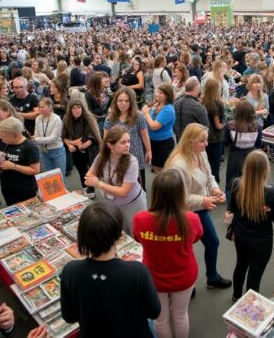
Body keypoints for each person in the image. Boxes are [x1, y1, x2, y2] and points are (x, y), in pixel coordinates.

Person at [61, 202, 161, 337]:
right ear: (119, 235)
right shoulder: (138, 272)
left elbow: (69, 316)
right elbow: (154, 312)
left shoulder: (70, 272)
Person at [132, 170, 203, 338]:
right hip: (184, 275)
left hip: (154, 277)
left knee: (160, 319)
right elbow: (196, 237)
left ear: (155, 192)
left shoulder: (140, 219)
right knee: (180, 315)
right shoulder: (191, 219)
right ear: (180, 194)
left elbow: (138, 238)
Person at [165, 123, 232, 290]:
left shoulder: (200, 154)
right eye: (202, 141)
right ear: (190, 142)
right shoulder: (178, 165)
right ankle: (186, 283)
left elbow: (210, 177)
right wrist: (204, 200)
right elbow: (180, 198)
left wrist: (215, 190)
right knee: (184, 250)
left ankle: (212, 277)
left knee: (213, 243)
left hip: (200, 208)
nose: (207, 144)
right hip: (182, 213)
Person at [230, 150, 274, 302]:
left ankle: (236, 296)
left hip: (241, 235)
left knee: (240, 265)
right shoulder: (272, 194)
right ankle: (248, 306)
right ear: (266, 170)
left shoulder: (236, 185)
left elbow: (233, 209)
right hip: (262, 241)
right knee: (255, 275)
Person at [85, 126, 147, 235]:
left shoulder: (132, 161)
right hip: (111, 204)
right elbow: (88, 177)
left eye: (128, 141)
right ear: (110, 145)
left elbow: (123, 192)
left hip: (132, 205)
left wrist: (99, 183)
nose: (127, 145)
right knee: (118, 234)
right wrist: (94, 181)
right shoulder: (102, 157)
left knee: (136, 236)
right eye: (123, 142)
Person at [0, 117, 40, 205]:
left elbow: (35, 170)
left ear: (15, 134)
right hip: (7, 188)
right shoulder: (2, 142)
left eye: (3, 134)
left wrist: (13, 166)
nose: (0, 136)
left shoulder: (29, 147)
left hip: (26, 189)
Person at [104, 87, 152, 188]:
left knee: (139, 186)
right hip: (117, 157)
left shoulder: (138, 116)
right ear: (116, 101)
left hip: (135, 155)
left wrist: (149, 151)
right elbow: (106, 139)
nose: (123, 103)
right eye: (120, 100)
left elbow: (145, 135)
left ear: (131, 102)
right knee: (120, 185)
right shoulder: (110, 117)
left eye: (126, 101)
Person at [224, 101, 262, 196]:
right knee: (249, 178)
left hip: (235, 155)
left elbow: (226, 141)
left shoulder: (231, 126)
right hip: (251, 155)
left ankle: (230, 201)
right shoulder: (257, 127)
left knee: (232, 180)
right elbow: (258, 143)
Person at [62, 100, 101, 194]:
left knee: (91, 171)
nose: (77, 110)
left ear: (82, 108)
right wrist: (69, 144)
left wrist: (86, 144)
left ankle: (91, 189)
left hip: (90, 150)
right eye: (74, 108)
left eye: (79, 107)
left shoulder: (89, 119)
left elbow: (94, 136)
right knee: (81, 170)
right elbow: (64, 137)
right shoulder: (67, 120)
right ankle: (85, 188)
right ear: (70, 110)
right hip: (76, 150)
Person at [142, 84, 176, 173]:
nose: (157, 94)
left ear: (167, 95)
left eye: (160, 93)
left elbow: (154, 126)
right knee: (155, 167)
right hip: (153, 141)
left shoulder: (168, 109)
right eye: (157, 91)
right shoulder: (157, 104)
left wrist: (146, 114)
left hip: (163, 143)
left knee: (164, 169)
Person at [32, 98, 66, 178]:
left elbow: (53, 138)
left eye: (42, 107)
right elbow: (36, 134)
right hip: (43, 151)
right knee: (49, 177)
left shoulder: (56, 119)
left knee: (60, 177)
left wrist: (36, 140)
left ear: (50, 107)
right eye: (39, 107)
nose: (40, 109)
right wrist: (36, 138)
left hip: (57, 151)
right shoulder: (38, 118)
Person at [201, 78, 226, 183]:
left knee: (205, 163)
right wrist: (225, 123)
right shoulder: (216, 104)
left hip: (205, 136)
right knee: (215, 164)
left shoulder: (202, 101)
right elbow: (218, 125)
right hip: (216, 138)